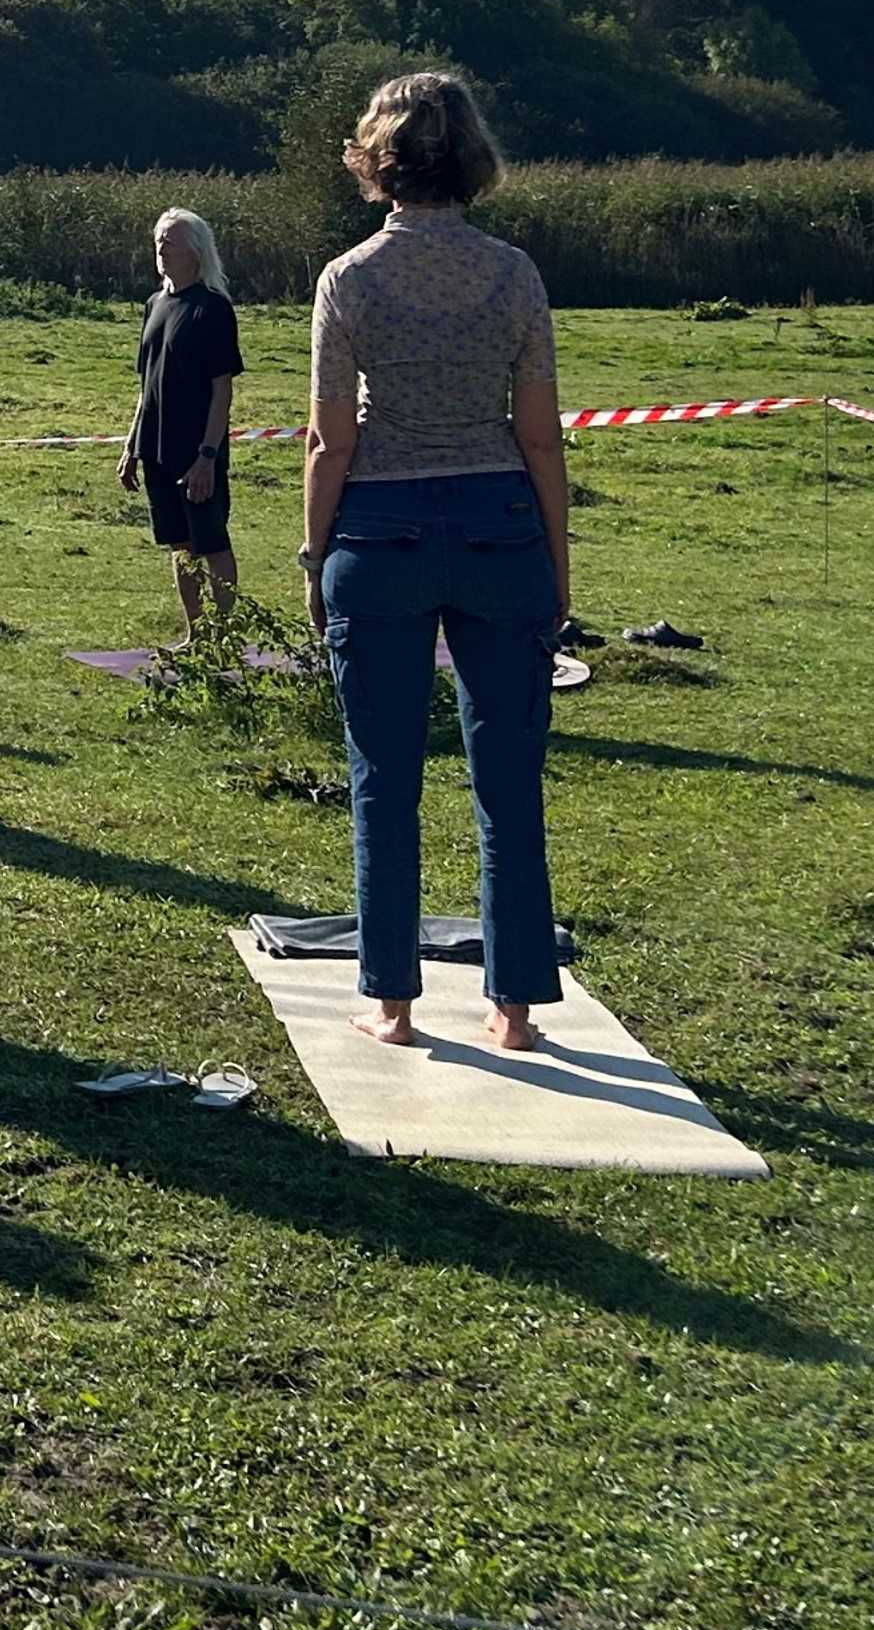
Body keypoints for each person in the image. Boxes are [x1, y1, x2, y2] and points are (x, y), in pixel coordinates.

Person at [299, 72, 570, 1052]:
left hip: (378, 532)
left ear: (377, 163)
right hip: (501, 526)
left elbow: (329, 440)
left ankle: (393, 1004)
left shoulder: (347, 278)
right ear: (471, 160)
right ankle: (514, 1009)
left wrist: (312, 555)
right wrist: (557, 563)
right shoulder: (514, 274)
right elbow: (538, 435)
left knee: (384, 776)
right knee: (509, 779)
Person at [127, 207, 245, 627]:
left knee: (211, 542)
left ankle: (224, 636)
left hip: (197, 451)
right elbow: (147, 384)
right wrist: (132, 446)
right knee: (180, 544)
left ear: (195, 250)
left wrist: (207, 456)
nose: (161, 248)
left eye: (170, 240)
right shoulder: (154, 305)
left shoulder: (213, 308)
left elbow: (222, 389)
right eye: (158, 240)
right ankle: (196, 634)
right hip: (156, 448)